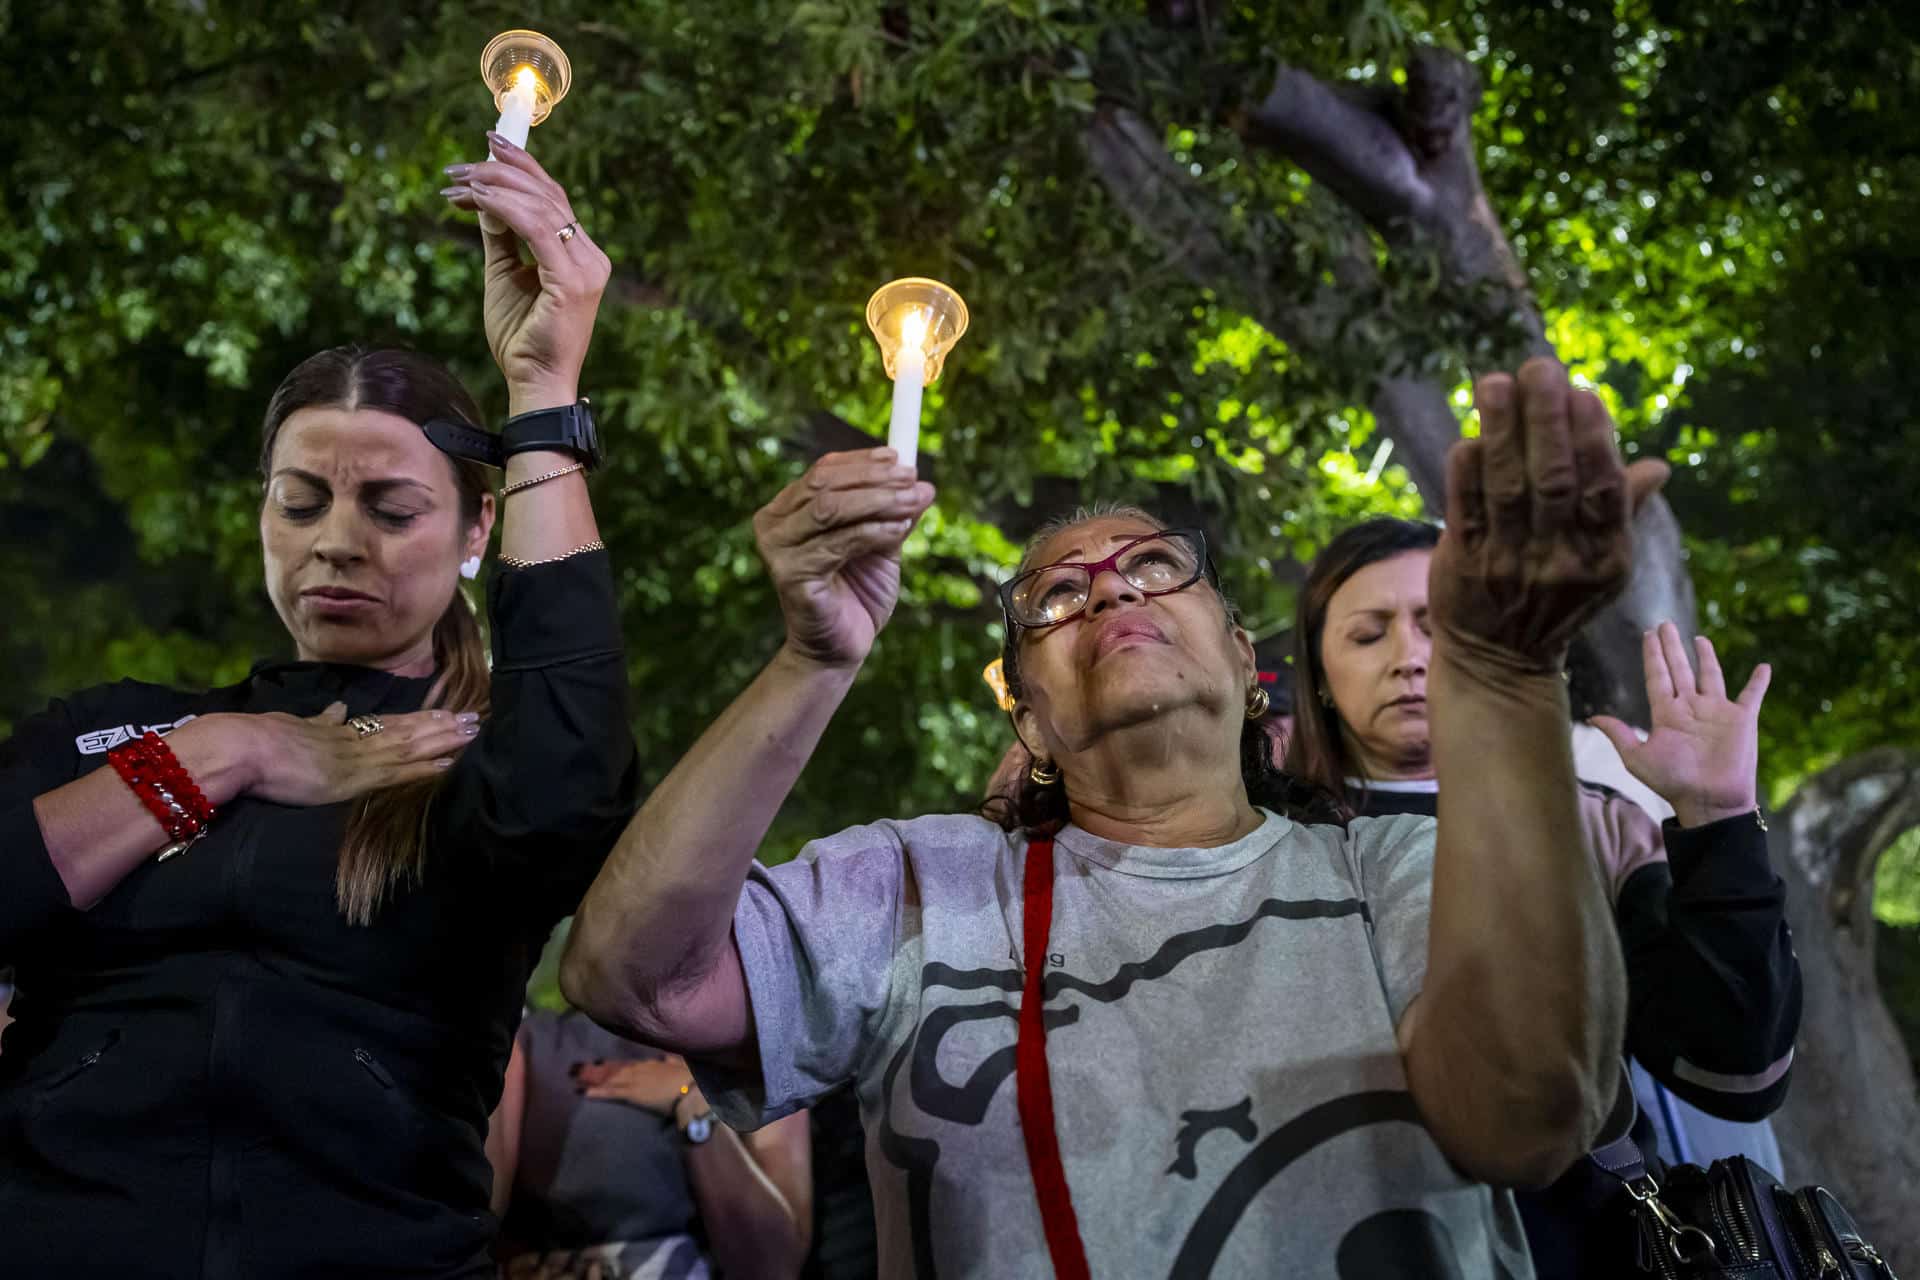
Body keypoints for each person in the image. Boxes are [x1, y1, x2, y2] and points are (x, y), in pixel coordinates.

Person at [561, 359, 1656, 1276]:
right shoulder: (916, 886)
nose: (1108, 592)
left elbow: (1530, 1114)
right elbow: (630, 973)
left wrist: (1509, 675)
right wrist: (812, 658)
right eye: (1053, 598)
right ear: (1027, 717)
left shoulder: (1395, 869)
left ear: (1243, 657)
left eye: (1154, 567)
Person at [0, 133, 637, 1274]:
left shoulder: (472, 762)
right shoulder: (114, 727)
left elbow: (570, 788)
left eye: (392, 509)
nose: (336, 541)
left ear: (478, 529)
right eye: (301, 502)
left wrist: (541, 394)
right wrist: (224, 751)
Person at [1284, 515, 1800, 1277]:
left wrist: (1718, 817)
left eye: (1441, 624)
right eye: (1369, 635)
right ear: (1320, 675)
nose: (1410, 658)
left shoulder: (1589, 824)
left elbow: (1736, 1070)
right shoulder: (1262, 836)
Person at [488, 1007, 812, 1279]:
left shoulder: (757, 1047)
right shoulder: (528, 1043)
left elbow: (774, 1266)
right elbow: (470, 1220)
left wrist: (692, 1105)